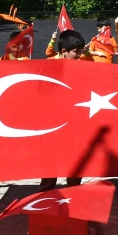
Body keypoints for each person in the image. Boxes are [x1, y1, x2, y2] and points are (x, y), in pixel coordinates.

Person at [39, 31, 92, 190]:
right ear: (64, 52)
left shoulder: (82, 64)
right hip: (53, 119)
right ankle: (47, 187)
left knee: (76, 154)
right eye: (76, 51)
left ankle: (73, 188)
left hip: (75, 117)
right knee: (50, 154)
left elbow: (93, 73)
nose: (80, 54)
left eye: (81, 50)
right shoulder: (48, 66)